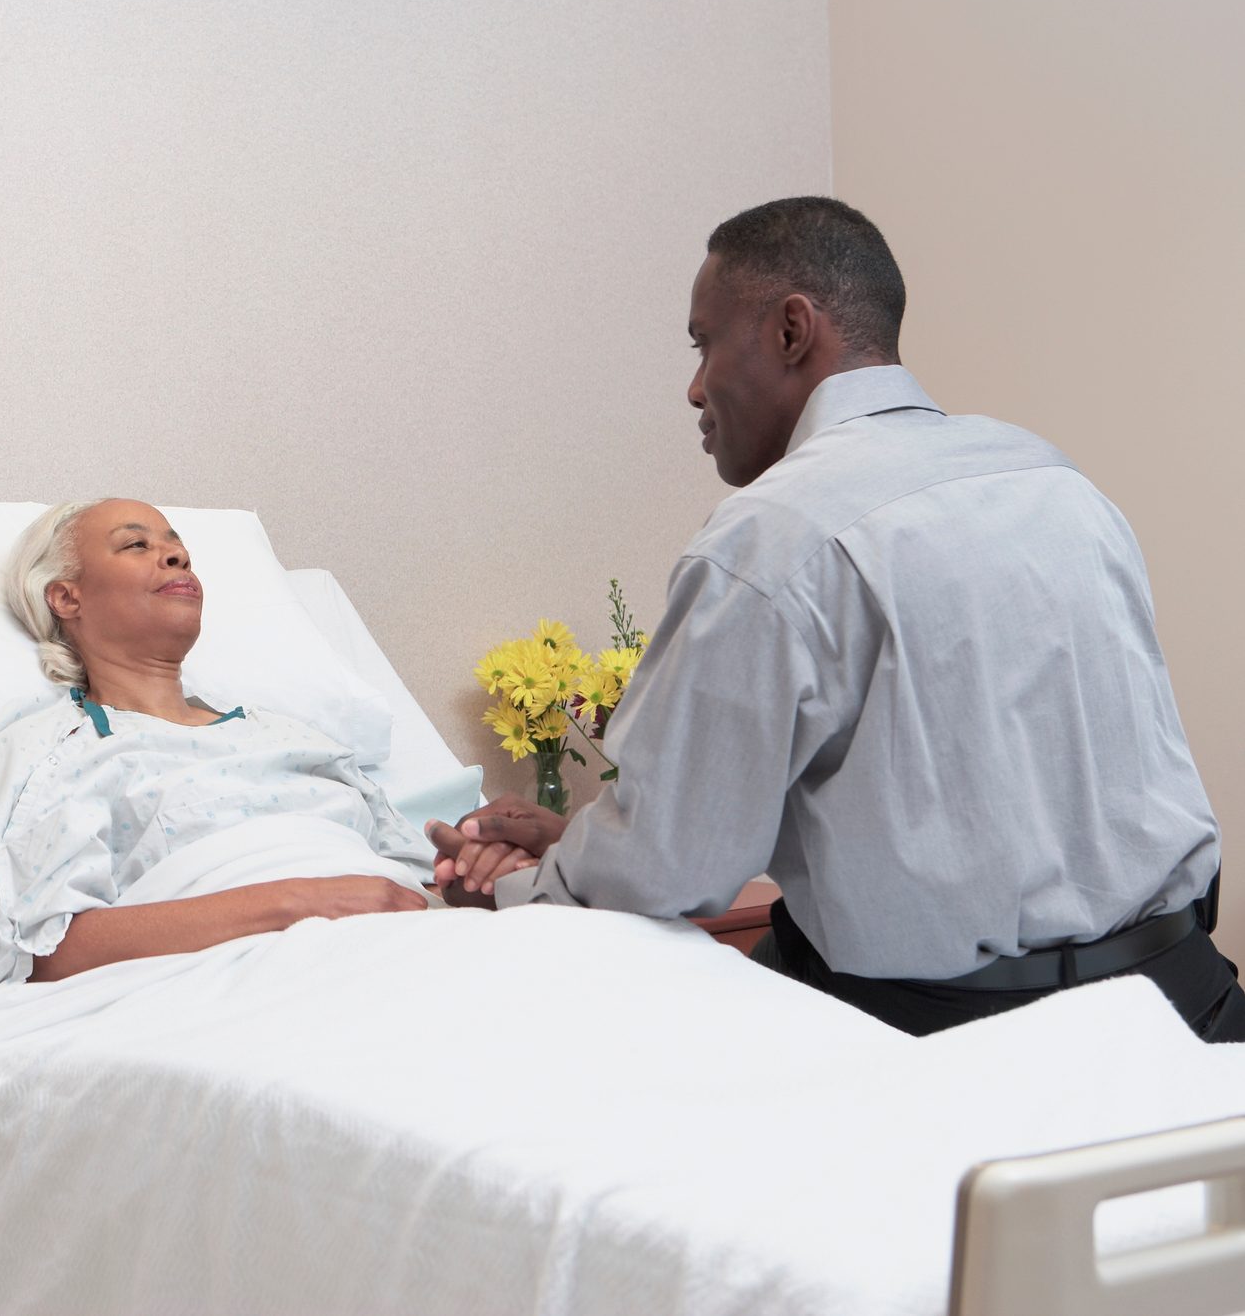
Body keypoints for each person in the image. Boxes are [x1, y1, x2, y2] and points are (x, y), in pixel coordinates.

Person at [430, 196, 1244, 1041]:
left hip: (958, 1044)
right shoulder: (1055, 482)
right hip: (1191, 1013)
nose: (694, 386)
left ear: (790, 331)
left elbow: (665, 869)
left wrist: (513, 889)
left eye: (704, 343)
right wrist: (588, 843)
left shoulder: (770, 538)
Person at [0, 498, 444, 985]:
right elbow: (47, 951)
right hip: (255, 979)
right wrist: (296, 903)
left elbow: (415, 883)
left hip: (418, 947)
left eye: (176, 546)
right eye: (136, 545)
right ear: (67, 597)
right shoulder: (48, 749)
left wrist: (483, 876)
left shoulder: (290, 735)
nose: (177, 556)